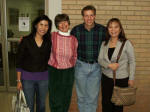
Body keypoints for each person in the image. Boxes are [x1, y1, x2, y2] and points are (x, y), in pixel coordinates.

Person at [71, 5, 106, 112]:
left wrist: (125, 41)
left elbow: (113, 41)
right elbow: (67, 45)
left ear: (95, 16)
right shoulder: (76, 30)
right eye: (86, 16)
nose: (89, 18)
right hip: (80, 66)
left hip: (96, 67)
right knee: (81, 96)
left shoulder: (102, 30)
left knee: (92, 97)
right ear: (83, 17)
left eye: (91, 15)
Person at [98, 18, 136, 112]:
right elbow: (99, 60)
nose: (113, 30)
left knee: (118, 106)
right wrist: (109, 65)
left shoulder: (126, 43)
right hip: (106, 78)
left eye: (116, 27)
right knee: (106, 104)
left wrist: (131, 78)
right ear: (107, 29)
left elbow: (132, 61)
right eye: (110, 27)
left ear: (120, 29)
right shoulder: (104, 43)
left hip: (121, 79)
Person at [16, 15, 52, 112]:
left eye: (46, 25)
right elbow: (19, 61)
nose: (43, 28)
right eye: (41, 24)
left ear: (48, 28)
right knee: (29, 106)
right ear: (36, 25)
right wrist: (19, 80)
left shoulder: (49, 42)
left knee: (41, 105)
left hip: (43, 79)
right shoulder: (26, 40)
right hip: (27, 79)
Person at [48, 14, 78, 112]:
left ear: (68, 23)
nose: (63, 24)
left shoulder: (74, 39)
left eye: (65, 21)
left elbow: (75, 56)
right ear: (57, 25)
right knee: (55, 96)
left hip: (68, 71)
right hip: (54, 71)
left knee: (66, 95)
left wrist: (71, 65)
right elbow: (38, 37)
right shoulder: (52, 36)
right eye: (59, 23)